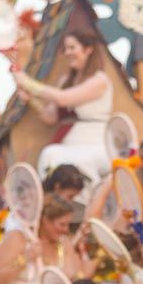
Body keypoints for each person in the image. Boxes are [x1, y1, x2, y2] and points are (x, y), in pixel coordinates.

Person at [17, 32, 112, 186]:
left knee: (80, 164)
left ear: (88, 49)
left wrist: (27, 82)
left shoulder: (99, 81)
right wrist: (31, 100)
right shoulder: (65, 81)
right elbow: (51, 117)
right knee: (49, 155)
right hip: (70, 145)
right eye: (65, 49)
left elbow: (63, 98)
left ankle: (91, 206)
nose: (67, 53)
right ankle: (56, 205)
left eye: (72, 48)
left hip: (96, 144)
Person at [0, 196, 92, 284]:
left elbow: (78, 277)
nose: (66, 230)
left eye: (68, 225)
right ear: (45, 220)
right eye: (62, 224)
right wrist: (25, 258)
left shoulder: (64, 243)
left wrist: (84, 254)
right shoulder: (18, 237)